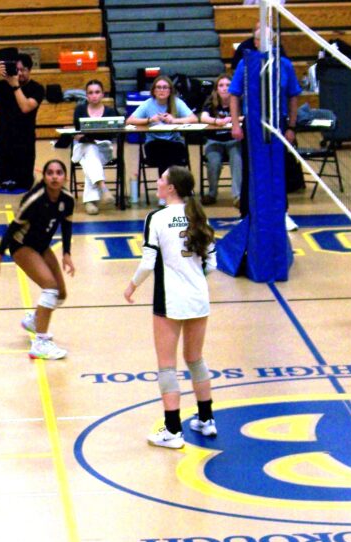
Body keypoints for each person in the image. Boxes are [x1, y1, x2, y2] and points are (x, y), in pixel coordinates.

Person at [123, 166, 217, 449]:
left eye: (162, 178)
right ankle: (206, 419)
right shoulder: (198, 215)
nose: (157, 181)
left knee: (167, 365)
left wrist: (131, 286)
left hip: (169, 299)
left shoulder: (157, 218)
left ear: (172, 187)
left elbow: (147, 264)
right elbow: (212, 264)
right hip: (198, 297)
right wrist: (192, 278)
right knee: (195, 359)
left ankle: (173, 430)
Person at [0, 159, 76, 360]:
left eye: (59, 173)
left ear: (64, 177)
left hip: (42, 245)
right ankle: (40, 343)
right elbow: (11, 229)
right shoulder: (34, 199)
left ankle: (35, 321)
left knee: (60, 294)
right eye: (50, 173)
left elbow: (67, 226)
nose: (54, 177)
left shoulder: (68, 199)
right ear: (44, 177)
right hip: (22, 245)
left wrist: (67, 254)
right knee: (50, 288)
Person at [229, 30, 302, 231]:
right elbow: (234, 94)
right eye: (261, 39)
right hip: (252, 124)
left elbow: (293, 95)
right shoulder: (245, 65)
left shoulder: (284, 65)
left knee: (278, 169)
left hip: (278, 124)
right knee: (250, 169)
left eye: (270, 39)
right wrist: (235, 125)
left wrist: (291, 126)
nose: (266, 43)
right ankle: (247, 215)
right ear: (255, 42)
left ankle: (281, 214)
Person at [0, 53, 45, 192]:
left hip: (25, 138)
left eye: (23, 70)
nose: (20, 73)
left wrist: (15, 86)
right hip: (4, 136)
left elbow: (25, 107)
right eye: (17, 70)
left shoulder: (37, 88)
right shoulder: (3, 85)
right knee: (5, 182)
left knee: (24, 183)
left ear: (30, 70)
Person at [126, 75, 197, 177]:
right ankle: (168, 184)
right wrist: (150, 120)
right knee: (164, 153)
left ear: (170, 91)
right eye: (158, 87)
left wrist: (174, 120)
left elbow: (194, 119)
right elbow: (129, 121)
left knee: (170, 153)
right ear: (154, 91)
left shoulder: (177, 102)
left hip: (174, 142)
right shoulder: (148, 104)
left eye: (165, 87)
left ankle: (167, 183)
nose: (161, 90)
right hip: (154, 143)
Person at [72, 79, 118, 214]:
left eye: (97, 92)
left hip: (104, 149)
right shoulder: (80, 110)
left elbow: (113, 134)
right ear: (86, 95)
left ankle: (90, 201)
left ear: (102, 94)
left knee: (91, 158)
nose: (94, 95)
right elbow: (77, 134)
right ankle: (103, 188)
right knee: (90, 149)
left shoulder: (110, 112)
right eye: (90, 93)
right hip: (83, 148)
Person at [199, 74, 242, 208]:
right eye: (221, 85)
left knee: (237, 159)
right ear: (216, 89)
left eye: (228, 85)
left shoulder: (239, 100)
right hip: (214, 140)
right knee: (214, 161)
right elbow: (203, 117)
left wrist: (234, 119)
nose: (224, 88)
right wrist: (217, 121)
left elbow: (247, 116)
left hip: (233, 140)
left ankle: (238, 196)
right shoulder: (211, 101)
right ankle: (212, 194)